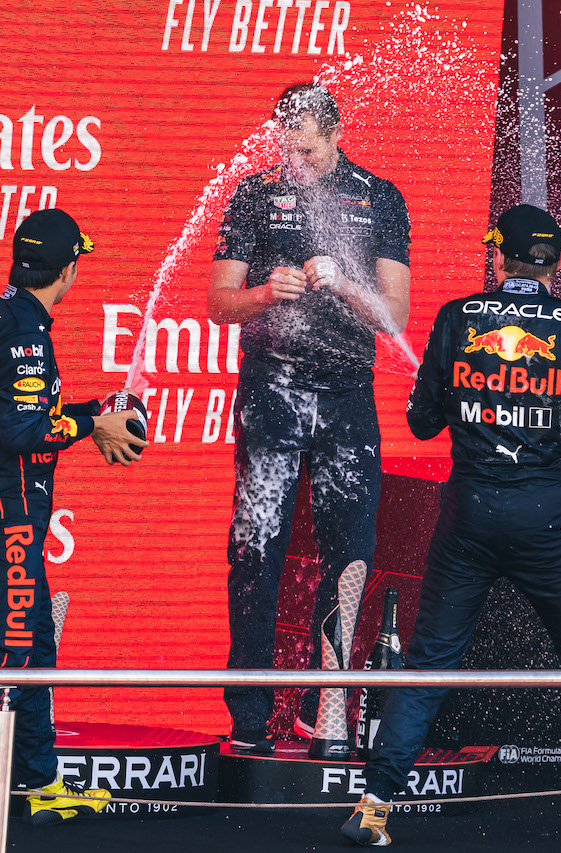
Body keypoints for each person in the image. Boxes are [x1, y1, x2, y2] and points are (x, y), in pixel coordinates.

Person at [341, 205, 561, 850]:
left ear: (496, 259)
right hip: (545, 520)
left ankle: (374, 805)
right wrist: (555, 418)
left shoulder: (456, 318)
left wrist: (474, 402)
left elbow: (422, 424)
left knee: (428, 666)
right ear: (556, 264)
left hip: (467, 517)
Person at [0, 209, 148, 841]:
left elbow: (25, 412)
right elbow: (21, 431)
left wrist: (99, 410)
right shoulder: (25, 333)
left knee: (35, 643)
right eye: (77, 266)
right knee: (10, 652)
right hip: (7, 511)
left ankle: (40, 784)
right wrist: (94, 426)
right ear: (67, 269)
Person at [207, 82, 410, 756]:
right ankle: (248, 713)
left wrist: (345, 284)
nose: (300, 162)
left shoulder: (379, 196)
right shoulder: (254, 192)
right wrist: (267, 291)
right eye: (290, 150)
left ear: (336, 134)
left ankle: (326, 712)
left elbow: (396, 318)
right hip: (270, 390)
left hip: (348, 394)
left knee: (348, 550)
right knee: (254, 547)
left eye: (311, 152)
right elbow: (219, 302)